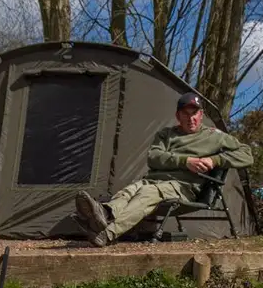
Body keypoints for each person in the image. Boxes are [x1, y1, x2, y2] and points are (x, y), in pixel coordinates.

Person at [74, 92, 253, 246]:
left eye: (194, 113)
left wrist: (214, 160)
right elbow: (154, 157)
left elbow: (246, 154)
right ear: (178, 116)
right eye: (185, 114)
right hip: (153, 180)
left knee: (147, 193)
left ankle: (107, 233)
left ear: (201, 115)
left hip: (183, 187)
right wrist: (185, 161)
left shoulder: (215, 137)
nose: (190, 118)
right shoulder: (166, 134)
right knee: (129, 191)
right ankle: (105, 213)